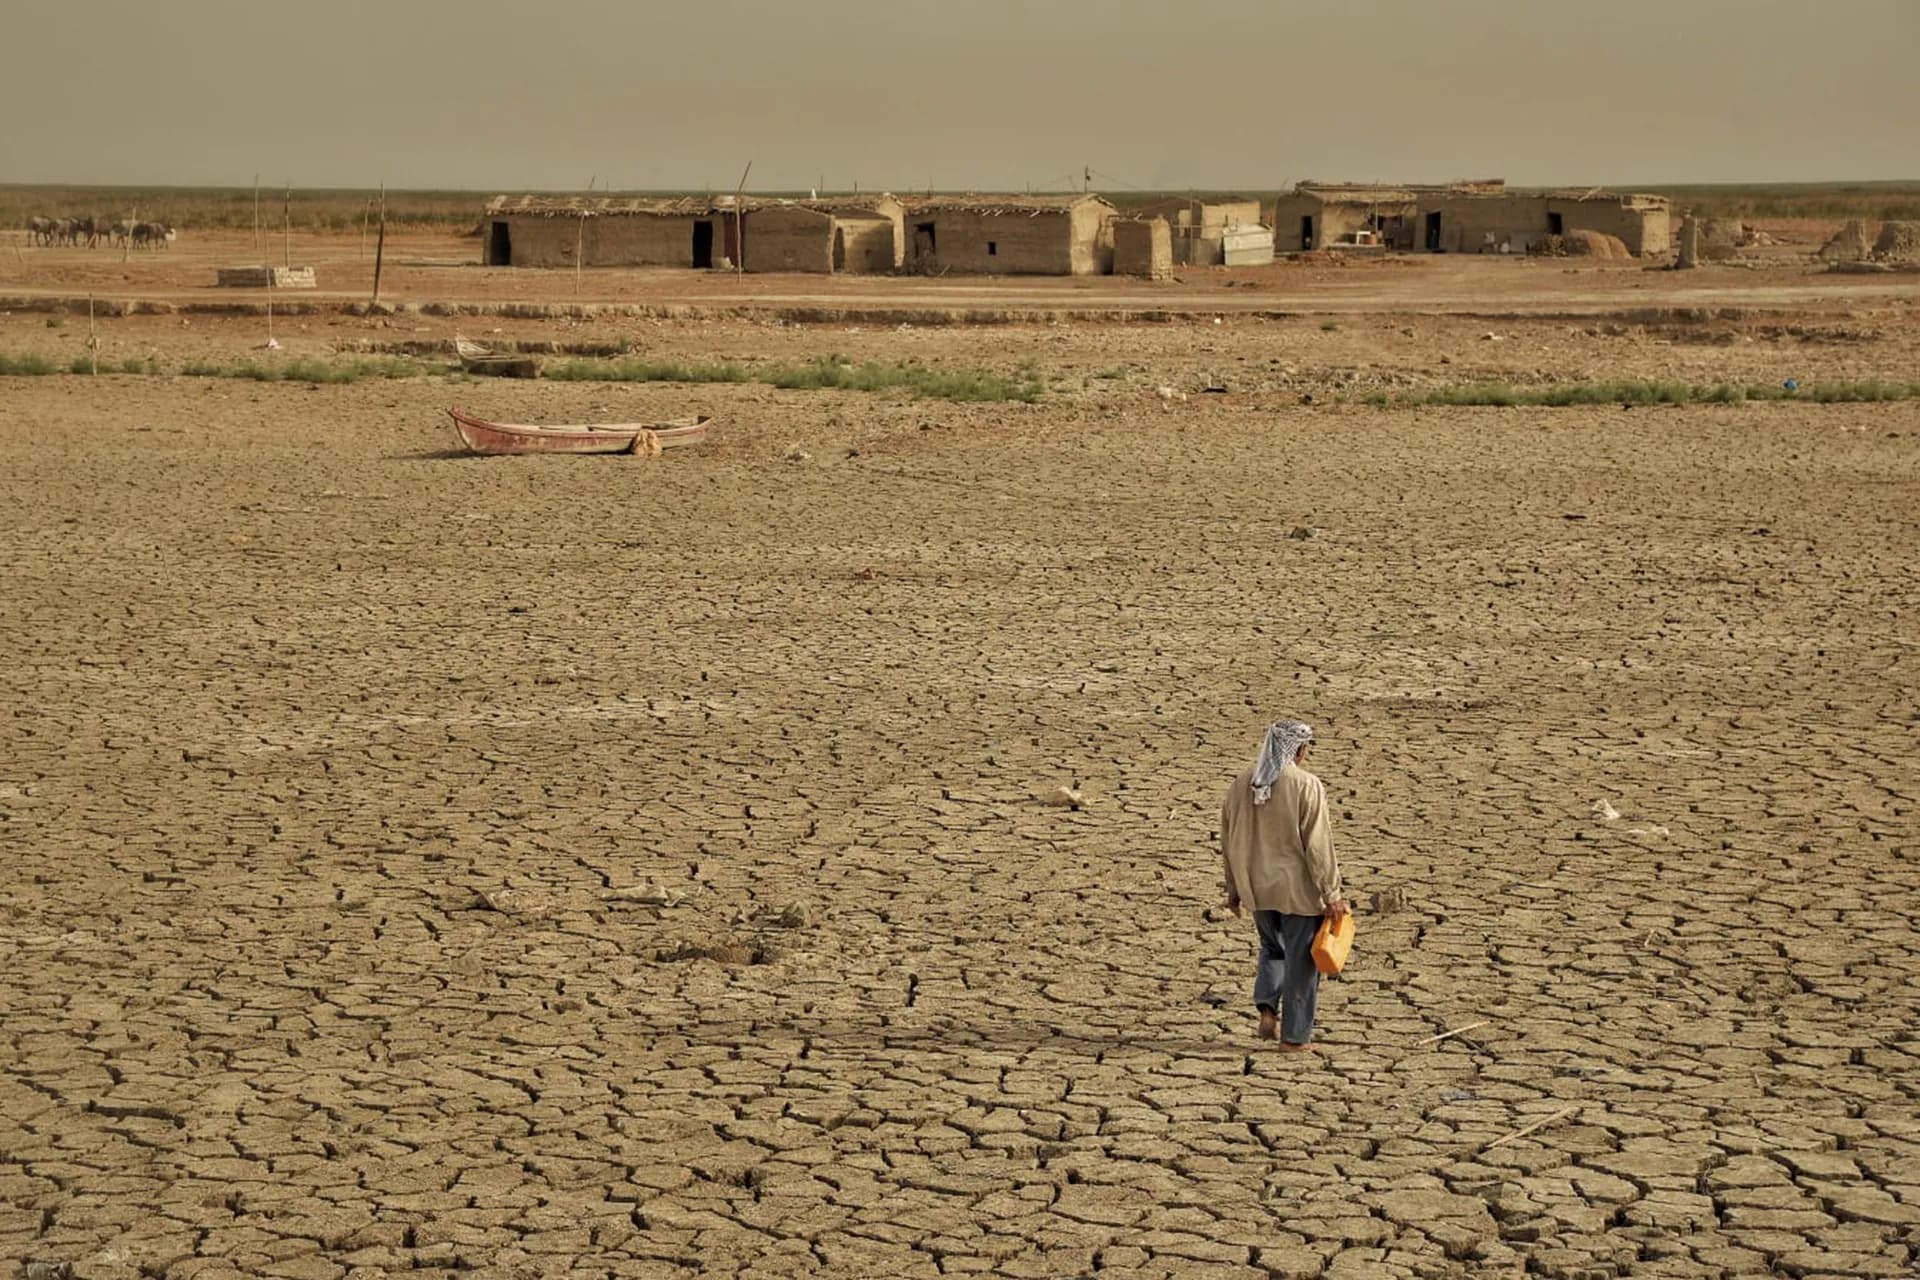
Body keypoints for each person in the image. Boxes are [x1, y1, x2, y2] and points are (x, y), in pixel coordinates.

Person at [1220, 719, 1349, 1052]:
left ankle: (1266, 1008)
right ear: (1300, 750)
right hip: (1296, 892)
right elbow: (1318, 845)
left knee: (1272, 949)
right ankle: (1294, 1038)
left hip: (1257, 889)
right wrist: (1332, 893)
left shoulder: (1241, 784)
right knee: (1301, 963)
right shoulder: (1306, 785)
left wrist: (1233, 887)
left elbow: (1229, 838)